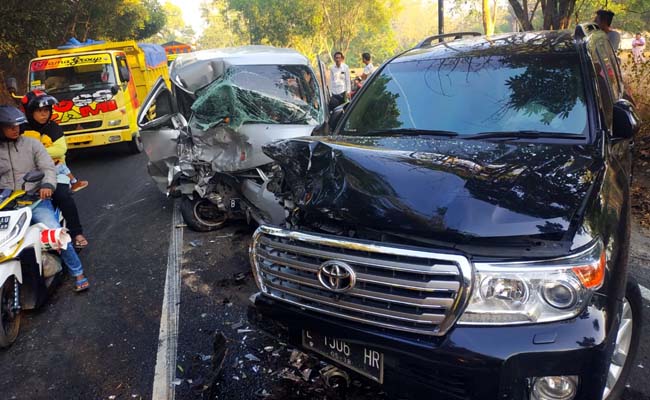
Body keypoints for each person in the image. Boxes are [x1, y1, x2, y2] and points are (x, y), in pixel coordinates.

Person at [0, 105, 89, 292]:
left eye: (17, 125)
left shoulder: (32, 144)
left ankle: (78, 273)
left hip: (34, 201)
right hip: (7, 205)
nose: (15, 129)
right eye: (9, 126)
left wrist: (48, 185)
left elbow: (48, 167)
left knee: (55, 233)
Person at [20, 90, 89, 250]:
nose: (44, 115)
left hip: (56, 171)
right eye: (39, 111)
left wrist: (31, 152)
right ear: (30, 113)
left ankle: (77, 233)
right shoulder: (21, 129)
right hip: (25, 173)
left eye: (46, 111)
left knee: (63, 196)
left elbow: (59, 150)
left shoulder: (54, 128)